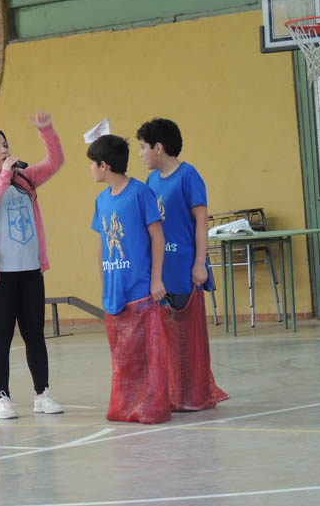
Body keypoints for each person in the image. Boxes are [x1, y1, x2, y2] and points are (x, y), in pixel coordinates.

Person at [0, 112, 65, 420]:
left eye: (5, 145)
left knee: (35, 334)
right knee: (2, 337)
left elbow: (56, 161)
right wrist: (4, 177)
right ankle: (2, 398)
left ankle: (42, 394)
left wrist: (46, 130)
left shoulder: (25, 180)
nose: (3, 150)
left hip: (30, 271)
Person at [137, 118, 228, 411]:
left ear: (158, 148)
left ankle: (194, 394)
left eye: (143, 147)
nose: (140, 154)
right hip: (161, 271)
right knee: (165, 338)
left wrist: (200, 263)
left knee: (188, 337)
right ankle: (173, 393)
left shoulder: (188, 175)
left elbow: (201, 221)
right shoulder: (151, 181)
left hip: (185, 269)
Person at [88, 134, 171, 424]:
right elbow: (102, 245)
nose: (90, 169)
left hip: (140, 289)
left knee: (145, 353)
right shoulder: (101, 200)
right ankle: (126, 406)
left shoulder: (139, 193)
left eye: (92, 163)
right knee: (122, 355)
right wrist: (105, 283)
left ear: (104, 165)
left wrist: (156, 280)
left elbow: (157, 237)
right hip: (115, 291)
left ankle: (150, 405)